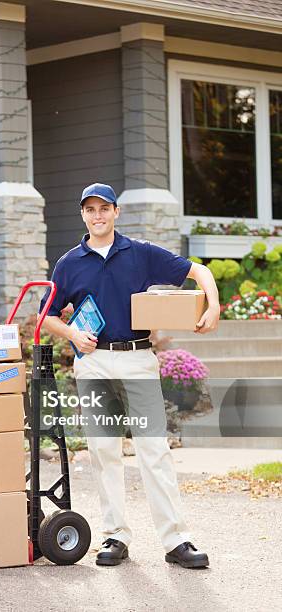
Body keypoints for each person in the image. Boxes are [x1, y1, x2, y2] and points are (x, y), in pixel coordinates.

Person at [38, 183, 220, 568]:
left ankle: (176, 540)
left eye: (104, 208)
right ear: (83, 215)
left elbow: (198, 271)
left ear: (116, 212)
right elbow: (47, 315)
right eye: (90, 209)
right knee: (104, 452)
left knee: (153, 450)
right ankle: (115, 536)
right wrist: (72, 333)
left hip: (137, 360)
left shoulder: (140, 252)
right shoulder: (69, 262)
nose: (98, 215)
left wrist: (214, 305)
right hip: (94, 364)